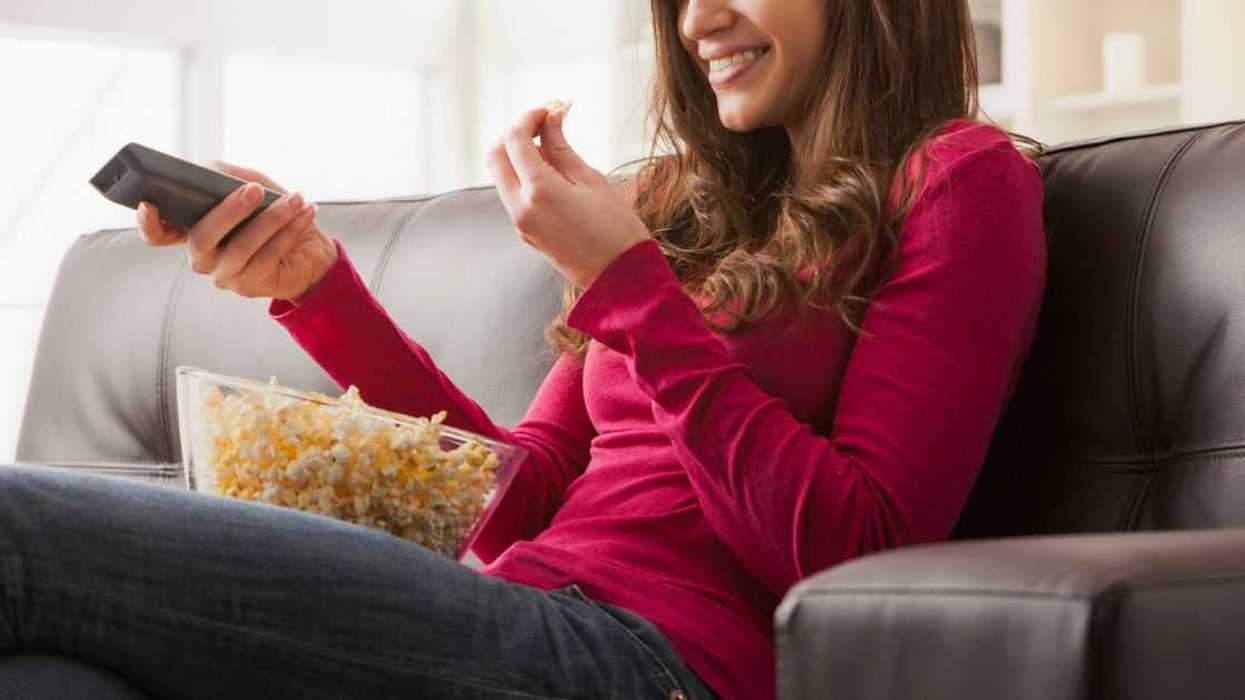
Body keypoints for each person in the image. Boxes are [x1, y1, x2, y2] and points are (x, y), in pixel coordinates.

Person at [0, 0, 1047, 698]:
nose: (698, 22)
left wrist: (633, 289)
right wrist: (317, 285)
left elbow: (858, 552)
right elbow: (513, 497)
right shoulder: (689, 208)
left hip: (654, 665)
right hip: (521, 612)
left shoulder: (959, 179)